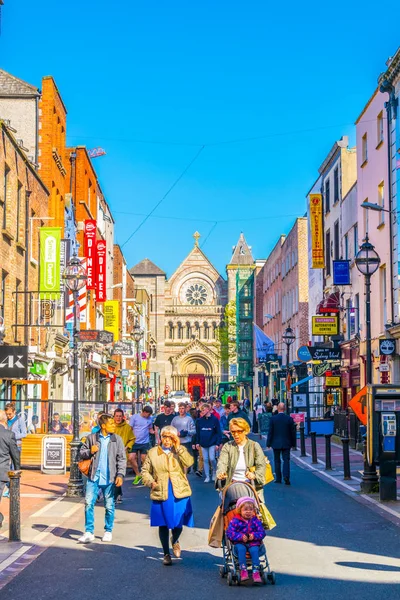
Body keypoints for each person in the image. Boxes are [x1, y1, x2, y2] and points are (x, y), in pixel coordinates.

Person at [142, 425, 194, 566]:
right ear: (160, 437)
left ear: (174, 439)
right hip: (161, 489)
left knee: (178, 523)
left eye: (170, 437)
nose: (167, 440)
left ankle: (175, 540)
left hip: (179, 490)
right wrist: (150, 482)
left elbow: (189, 462)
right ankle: (166, 553)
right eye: (164, 437)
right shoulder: (153, 452)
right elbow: (145, 471)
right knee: (163, 524)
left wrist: (179, 448)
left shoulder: (179, 451)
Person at [78, 414, 126, 543]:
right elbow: (81, 453)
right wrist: (90, 451)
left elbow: (121, 459)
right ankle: (89, 531)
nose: (114, 425)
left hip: (110, 478)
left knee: (109, 506)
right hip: (94, 477)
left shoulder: (117, 440)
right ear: (103, 426)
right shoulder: (91, 438)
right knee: (89, 503)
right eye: (111, 424)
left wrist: (120, 475)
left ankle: (108, 530)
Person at [216, 418, 266, 499]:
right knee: (222, 511)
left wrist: (254, 475)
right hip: (231, 487)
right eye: (233, 432)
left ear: (246, 431)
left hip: (251, 487)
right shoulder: (227, 446)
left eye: (239, 431)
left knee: (257, 511)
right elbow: (222, 463)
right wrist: (221, 473)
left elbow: (261, 466)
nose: (236, 434)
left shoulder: (254, 446)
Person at [226, 496, 266, 584]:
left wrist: (254, 536)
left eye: (251, 509)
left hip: (253, 543)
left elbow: (262, 532)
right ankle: (243, 569)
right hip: (240, 542)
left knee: (255, 550)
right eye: (245, 509)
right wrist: (240, 536)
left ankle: (256, 571)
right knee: (241, 549)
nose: (248, 511)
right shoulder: (235, 521)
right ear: (240, 510)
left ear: (254, 511)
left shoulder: (255, 521)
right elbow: (230, 533)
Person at [266, 402, 296, 485]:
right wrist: (293, 443)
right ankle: (286, 476)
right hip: (286, 443)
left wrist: (268, 443)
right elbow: (292, 432)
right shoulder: (289, 419)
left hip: (275, 443)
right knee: (286, 460)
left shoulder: (273, 419)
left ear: (278, 409)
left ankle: (278, 478)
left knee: (277, 460)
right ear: (284, 409)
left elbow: (270, 432)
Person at [0, 410, 20, 528]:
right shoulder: (8, 435)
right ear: (5, 420)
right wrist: (17, 471)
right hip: (1, 472)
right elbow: (15, 455)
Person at [195, 403, 221, 483]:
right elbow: (198, 432)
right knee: (205, 459)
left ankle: (214, 472)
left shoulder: (214, 419)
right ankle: (207, 476)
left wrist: (217, 443)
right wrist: (197, 442)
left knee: (212, 458)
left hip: (212, 442)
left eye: (204, 409)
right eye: (202, 410)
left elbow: (218, 432)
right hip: (203, 443)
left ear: (208, 409)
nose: (203, 411)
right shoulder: (199, 421)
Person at [113, 409, 135, 503]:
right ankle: (117, 493)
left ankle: (116, 495)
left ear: (123, 417)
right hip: (111, 453)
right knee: (112, 475)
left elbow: (132, 439)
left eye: (120, 416)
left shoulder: (127, 427)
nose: (118, 418)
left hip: (121, 455)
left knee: (118, 474)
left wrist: (127, 447)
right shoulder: (110, 426)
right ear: (114, 416)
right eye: (116, 416)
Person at [129, 406, 154, 485]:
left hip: (145, 442)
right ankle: (137, 473)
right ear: (144, 412)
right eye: (148, 414)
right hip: (134, 442)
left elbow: (150, 429)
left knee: (145, 460)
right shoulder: (135, 417)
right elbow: (130, 428)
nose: (149, 416)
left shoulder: (150, 419)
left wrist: (155, 432)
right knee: (131, 458)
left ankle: (145, 475)